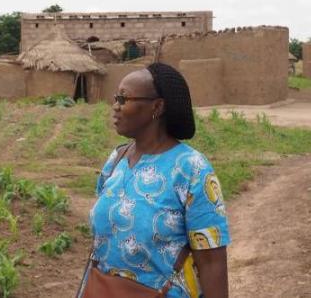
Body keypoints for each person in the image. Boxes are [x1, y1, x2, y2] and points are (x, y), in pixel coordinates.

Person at [88, 62, 229, 297]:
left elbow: (212, 262)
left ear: (157, 106)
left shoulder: (191, 169)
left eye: (123, 99)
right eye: (115, 98)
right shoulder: (116, 160)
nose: (115, 107)